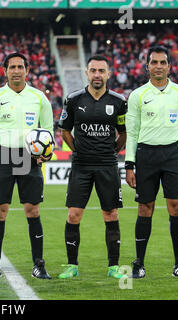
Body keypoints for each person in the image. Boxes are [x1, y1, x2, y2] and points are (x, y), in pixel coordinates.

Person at [0, 52, 54, 279]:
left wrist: (46, 153)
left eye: (21, 67)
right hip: (1, 155)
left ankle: (39, 264)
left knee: (33, 210)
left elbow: (48, 130)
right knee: (0, 211)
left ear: (27, 70)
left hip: (29, 158)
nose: (17, 71)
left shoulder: (39, 97)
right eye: (12, 67)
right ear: (5, 70)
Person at [125, 46, 178, 279]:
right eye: (154, 62)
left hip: (173, 155)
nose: (158, 66)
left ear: (169, 66)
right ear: (147, 66)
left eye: (162, 62)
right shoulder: (137, 95)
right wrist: (129, 165)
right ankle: (139, 263)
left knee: (176, 207)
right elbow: (132, 132)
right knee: (145, 208)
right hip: (146, 156)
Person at [57, 55, 127, 280]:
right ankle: (71, 265)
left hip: (107, 165)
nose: (97, 75)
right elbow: (65, 131)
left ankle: (113, 266)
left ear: (108, 74)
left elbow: (123, 133)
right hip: (81, 165)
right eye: (93, 70)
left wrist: (112, 152)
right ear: (86, 73)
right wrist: (77, 148)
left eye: (101, 71)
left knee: (111, 213)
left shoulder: (118, 101)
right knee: (74, 214)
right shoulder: (73, 99)